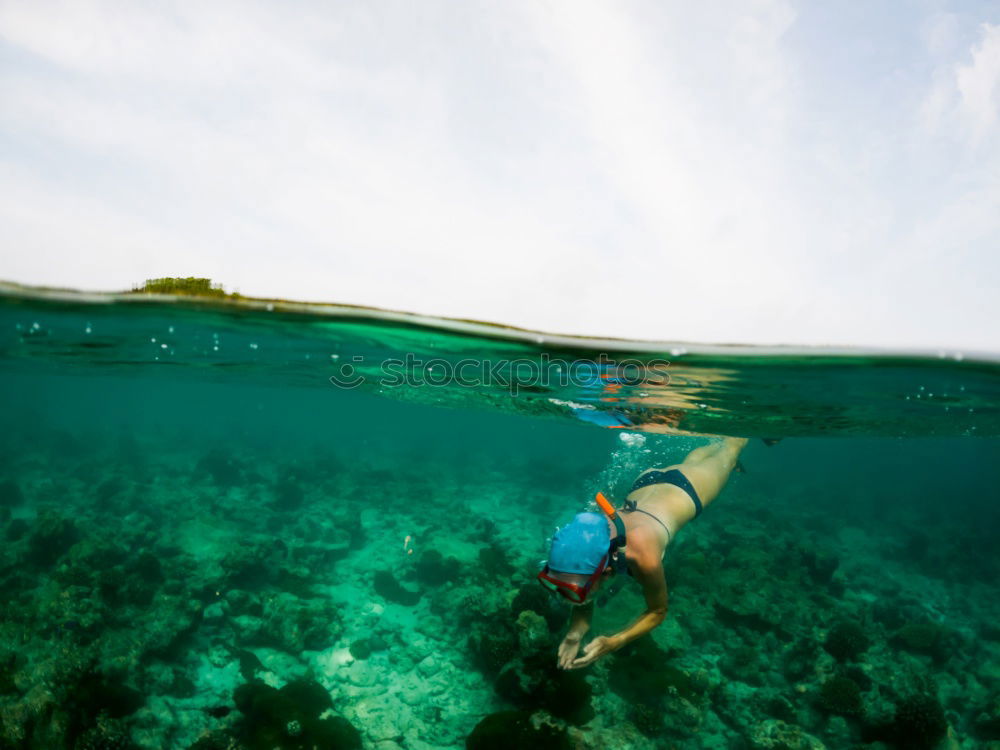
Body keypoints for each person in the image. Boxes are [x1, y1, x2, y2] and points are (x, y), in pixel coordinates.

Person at [537, 437, 748, 669]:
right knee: (694, 460)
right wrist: (575, 632)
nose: (573, 597)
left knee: (731, 449)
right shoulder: (588, 545)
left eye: (575, 592)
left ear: (607, 571)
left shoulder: (643, 556)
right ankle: (714, 443)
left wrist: (617, 641)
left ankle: (747, 422)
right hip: (647, 484)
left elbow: (658, 611)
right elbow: (585, 585)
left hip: (690, 487)